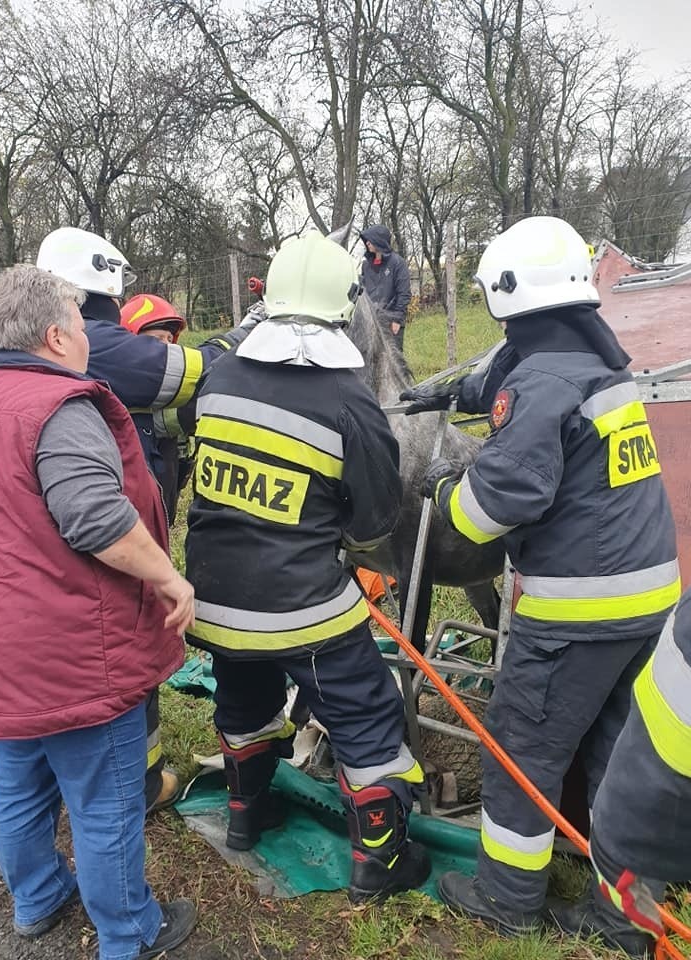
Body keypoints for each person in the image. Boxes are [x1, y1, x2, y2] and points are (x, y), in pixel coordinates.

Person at [408, 217, 679, 954]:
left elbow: (503, 499)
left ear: (505, 298)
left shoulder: (540, 387)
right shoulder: (597, 364)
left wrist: (442, 499)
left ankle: (505, 896)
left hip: (578, 611)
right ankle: (627, 913)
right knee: (623, 756)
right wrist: (460, 391)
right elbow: (515, 375)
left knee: (524, 744)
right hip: (651, 600)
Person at [184, 231, 430, 902]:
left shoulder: (219, 375)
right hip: (303, 609)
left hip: (213, 600)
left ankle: (246, 816)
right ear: (348, 305)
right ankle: (380, 862)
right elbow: (374, 522)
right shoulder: (350, 403)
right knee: (367, 715)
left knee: (245, 698)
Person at [0, 264, 197, 959]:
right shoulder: (59, 406)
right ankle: (129, 931)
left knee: (18, 777)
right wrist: (169, 579)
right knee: (106, 800)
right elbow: (96, 517)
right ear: (53, 336)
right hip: (75, 649)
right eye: (77, 321)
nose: (86, 336)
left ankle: (38, 898)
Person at [36, 227, 253, 814]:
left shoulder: (27, 353)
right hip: (112, 533)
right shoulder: (98, 341)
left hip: (57, 543)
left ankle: (137, 768)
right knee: (129, 646)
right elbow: (193, 370)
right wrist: (250, 325)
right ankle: (136, 782)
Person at [550, 586, 691, 950]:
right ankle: (630, 921)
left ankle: (505, 899)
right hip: (653, 589)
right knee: (618, 731)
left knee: (527, 737)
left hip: (581, 596)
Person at [119, 294, 193, 525]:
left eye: (170, 339)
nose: (167, 347)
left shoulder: (173, 393)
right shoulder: (121, 396)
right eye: (157, 339)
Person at [359, 224, 411, 351]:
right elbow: (363, 292)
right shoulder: (366, 266)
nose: (367, 243)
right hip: (370, 320)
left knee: (392, 358)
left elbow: (404, 293)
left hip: (390, 320)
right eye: (366, 240)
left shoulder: (398, 263)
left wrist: (397, 319)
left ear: (379, 241)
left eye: (370, 240)